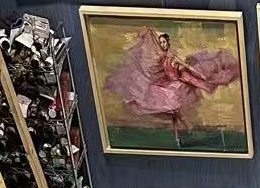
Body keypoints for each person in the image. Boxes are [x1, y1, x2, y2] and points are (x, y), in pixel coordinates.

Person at [103, 29, 241, 146]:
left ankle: (186, 131)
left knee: (175, 110)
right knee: (170, 111)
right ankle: (182, 134)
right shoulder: (161, 59)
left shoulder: (173, 58)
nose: (163, 44)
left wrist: (200, 75)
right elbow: (155, 67)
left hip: (177, 88)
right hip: (168, 87)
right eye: (161, 43)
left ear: (168, 43)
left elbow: (188, 67)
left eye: (164, 42)